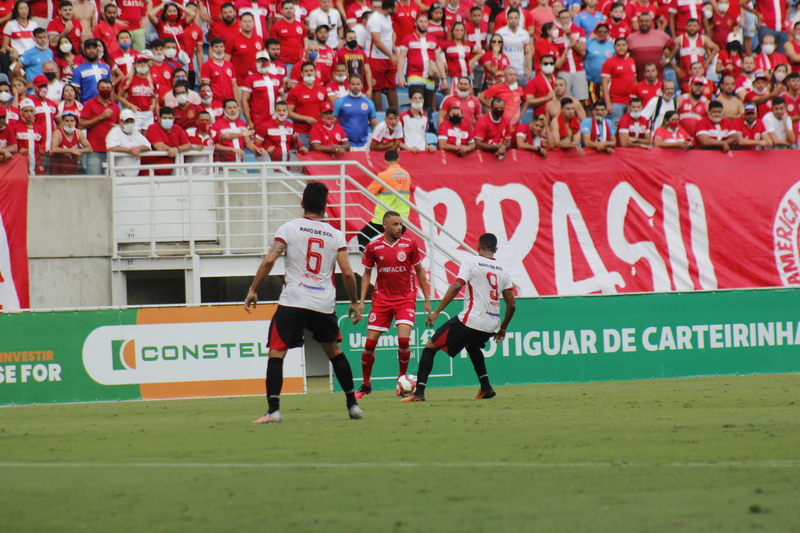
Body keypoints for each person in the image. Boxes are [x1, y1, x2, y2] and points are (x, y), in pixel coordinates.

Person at [245, 182, 363, 424]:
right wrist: (354, 301)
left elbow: (269, 260)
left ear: (302, 204)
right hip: (323, 303)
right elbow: (348, 273)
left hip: (294, 300)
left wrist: (253, 289)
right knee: (335, 352)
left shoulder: (289, 228)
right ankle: (353, 405)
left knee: (276, 353)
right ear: (325, 206)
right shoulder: (335, 234)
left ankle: (274, 410)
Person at [402, 233, 515, 402]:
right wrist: (503, 327)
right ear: (495, 249)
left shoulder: (471, 262)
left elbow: (456, 285)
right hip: (491, 325)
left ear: (478, 246)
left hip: (471, 320)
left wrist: (437, 311)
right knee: (473, 346)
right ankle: (486, 387)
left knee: (430, 346)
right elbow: (512, 305)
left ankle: (419, 392)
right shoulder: (503, 270)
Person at [355, 208, 431, 398]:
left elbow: (420, 271)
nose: (399, 227)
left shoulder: (409, 244)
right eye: (395, 224)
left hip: (405, 299)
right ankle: (365, 384)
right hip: (381, 300)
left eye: (401, 224)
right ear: (385, 225)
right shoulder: (373, 246)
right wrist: (362, 302)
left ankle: (401, 379)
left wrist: (427, 299)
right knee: (369, 345)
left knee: (404, 340)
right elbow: (366, 274)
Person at [358, 149, 411, 249]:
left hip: (384, 217)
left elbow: (368, 194)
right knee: (394, 246)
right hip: (402, 217)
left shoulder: (384, 175)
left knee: (363, 236)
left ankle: (368, 263)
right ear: (398, 159)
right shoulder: (406, 175)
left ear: (385, 161)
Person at [397, 13, 447, 112]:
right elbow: (402, 58)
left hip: (430, 77)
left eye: (425, 22)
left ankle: (423, 125)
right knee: (417, 103)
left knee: (426, 106)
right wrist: (400, 76)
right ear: (415, 23)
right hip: (414, 74)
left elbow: (439, 60)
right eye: (420, 22)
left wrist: (444, 77)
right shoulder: (408, 39)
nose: (423, 24)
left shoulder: (433, 40)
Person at [80, 78, 120, 174]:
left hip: (112, 150)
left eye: (108, 88)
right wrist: (101, 117)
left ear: (112, 90)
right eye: (102, 88)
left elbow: (120, 127)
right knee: (94, 180)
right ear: (97, 90)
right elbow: (81, 125)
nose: (105, 90)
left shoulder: (116, 107)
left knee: (112, 181)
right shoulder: (90, 104)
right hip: (95, 150)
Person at [625, 12, 677, 82]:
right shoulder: (630, 37)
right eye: (642, 21)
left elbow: (675, 47)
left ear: (651, 22)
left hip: (657, 76)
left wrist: (668, 60)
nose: (644, 23)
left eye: (647, 21)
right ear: (638, 22)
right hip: (637, 77)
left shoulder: (660, 35)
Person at [367, 0, 398, 112]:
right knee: (377, 88)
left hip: (389, 57)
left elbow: (391, 33)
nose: (396, 10)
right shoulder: (375, 19)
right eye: (395, 8)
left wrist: (393, 46)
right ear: (389, 9)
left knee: (392, 86)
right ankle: (378, 115)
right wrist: (391, 55)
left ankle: (395, 114)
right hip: (377, 57)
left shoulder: (388, 17)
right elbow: (377, 41)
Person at [553, 9, 589, 103]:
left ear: (571, 17)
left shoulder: (579, 30)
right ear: (559, 19)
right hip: (563, 70)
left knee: (581, 100)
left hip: (579, 69)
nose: (565, 20)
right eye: (562, 18)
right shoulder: (555, 32)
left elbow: (582, 51)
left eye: (567, 17)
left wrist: (569, 36)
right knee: (562, 100)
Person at [333, 76, 377, 151]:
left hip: (364, 144)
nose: (355, 86)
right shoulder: (340, 102)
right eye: (353, 84)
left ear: (362, 85)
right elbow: (333, 123)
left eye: (358, 84)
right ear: (349, 85)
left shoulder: (369, 103)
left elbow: (375, 124)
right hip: (345, 144)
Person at [601, 38, 637, 129]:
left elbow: (634, 81)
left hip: (629, 101)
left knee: (629, 126)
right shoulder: (609, 62)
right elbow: (604, 84)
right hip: (615, 102)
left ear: (627, 47)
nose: (621, 48)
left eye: (623, 45)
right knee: (615, 126)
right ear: (614, 48)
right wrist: (608, 103)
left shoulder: (631, 61)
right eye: (618, 45)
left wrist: (634, 100)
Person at [106, 108, 152, 176]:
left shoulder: (135, 132)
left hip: (134, 176)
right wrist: (129, 150)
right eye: (127, 121)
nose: (130, 124)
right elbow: (111, 147)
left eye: (132, 121)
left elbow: (148, 145)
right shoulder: (115, 132)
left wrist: (137, 149)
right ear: (121, 121)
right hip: (117, 175)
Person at [119, 54, 157, 134]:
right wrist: (130, 105)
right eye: (140, 62)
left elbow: (153, 96)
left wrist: (153, 104)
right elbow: (119, 96)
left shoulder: (152, 80)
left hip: (148, 113)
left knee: (148, 138)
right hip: (136, 112)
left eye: (144, 62)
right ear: (135, 64)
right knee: (136, 136)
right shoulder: (129, 79)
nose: (142, 64)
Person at [224, 12, 264, 86]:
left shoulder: (259, 39)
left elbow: (263, 60)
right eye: (245, 21)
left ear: (253, 24)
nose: (247, 24)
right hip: (239, 82)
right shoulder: (233, 40)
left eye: (249, 21)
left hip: (256, 81)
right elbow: (226, 62)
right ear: (240, 24)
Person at [495, 8, 532, 86]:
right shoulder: (500, 33)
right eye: (511, 18)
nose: (513, 20)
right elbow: (495, 51)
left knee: (521, 94)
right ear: (507, 19)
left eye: (515, 18)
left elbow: (528, 52)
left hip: (520, 70)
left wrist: (529, 69)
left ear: (519, 19)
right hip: (505, 70)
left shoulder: (524, 33)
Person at [200, 38, 239, 106]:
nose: (219, 49)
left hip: (229, 102)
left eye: (221, 47)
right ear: (212, 49)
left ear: (224, 48)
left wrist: (238, 104)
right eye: (216, 47)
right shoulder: (207, 65)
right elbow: (206, 87)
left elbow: (234, 86)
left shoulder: (229, 65)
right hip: (215, 102)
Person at [13, 99, 47, 174]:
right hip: (21, 162)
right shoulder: (15, 128)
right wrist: (19, 150)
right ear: (21, 113)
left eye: (31, 111)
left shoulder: (40, 129)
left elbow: (41, 147)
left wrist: (46, 152)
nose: (29, 114)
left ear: (35, 112)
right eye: (26, 111)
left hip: (37, 163)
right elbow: (12, 146)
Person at [337, 29, 374, 99]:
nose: (353, 40)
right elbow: (336, 71)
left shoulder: (362, 53)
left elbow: (367, 71)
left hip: (360, 87)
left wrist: (370, 88)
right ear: (345, 40)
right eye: (350, 38)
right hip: (346, 87)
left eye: (355, 38)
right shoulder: (339, 53)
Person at [584, 22, 615, 103]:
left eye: (605, 31)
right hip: (590, 82)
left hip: (607, 83)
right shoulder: (589, 44)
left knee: (605, 106)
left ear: (608, 33)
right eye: (600, 31)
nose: (602, 33)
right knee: (590, 105)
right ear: (596, 32)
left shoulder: (612, 46)